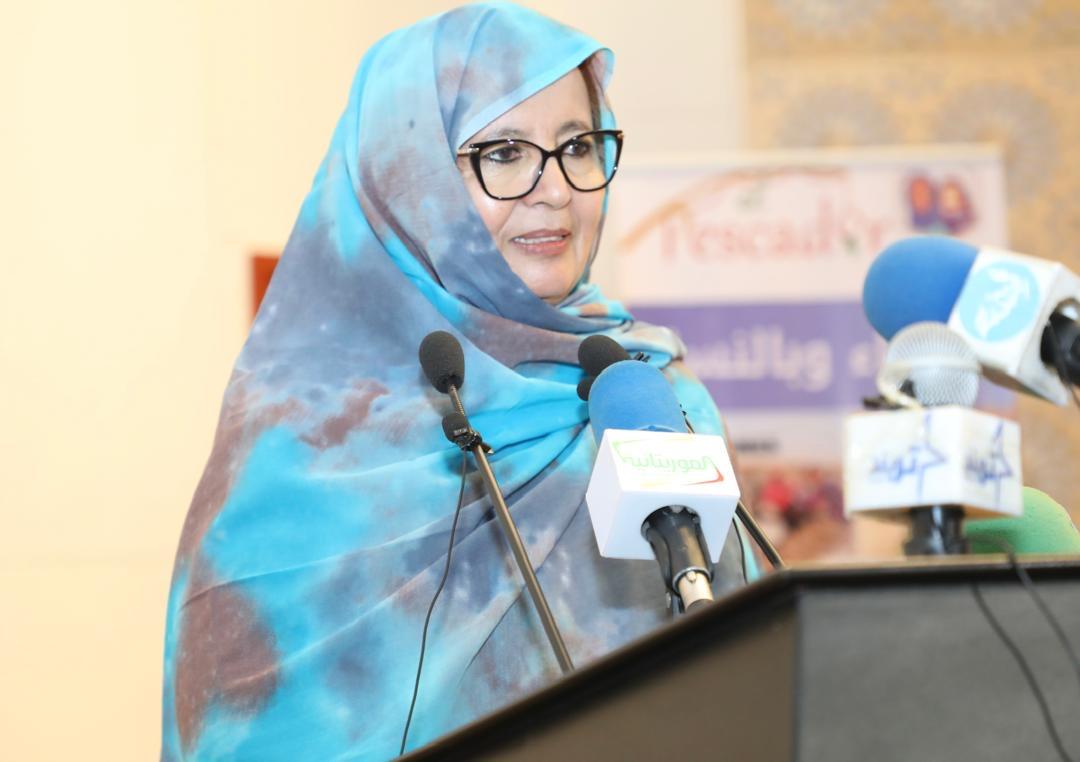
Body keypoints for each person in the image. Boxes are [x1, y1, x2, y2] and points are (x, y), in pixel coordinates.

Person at [161, 4, 755, 760]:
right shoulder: (302, 451)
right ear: (405, 177)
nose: (555, 189)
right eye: (503, 152)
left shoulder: (648, 392)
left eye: (578, 145)